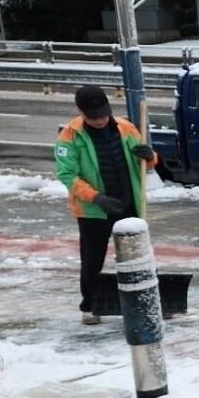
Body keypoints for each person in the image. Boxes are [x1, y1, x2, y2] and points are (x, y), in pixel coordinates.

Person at [55, 85, 156, 325]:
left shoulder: (126, 127)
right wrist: (96, 197)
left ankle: (146, 298)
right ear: (81, 112)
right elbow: (67, 175)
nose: (100, 121)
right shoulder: (69, 136)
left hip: (129, 204)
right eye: (94, 117)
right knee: (92, 259)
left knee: (138, 256)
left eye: (103, 114)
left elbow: (148, 165)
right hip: (93, 211)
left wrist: (150, 156)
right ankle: (90, 305)